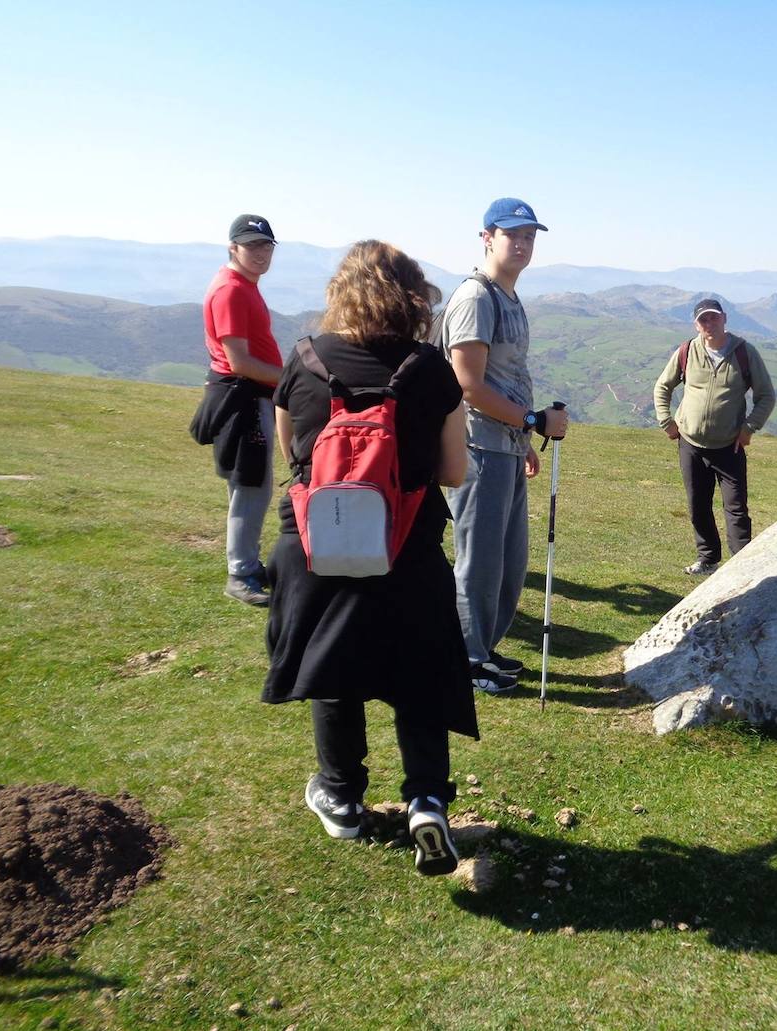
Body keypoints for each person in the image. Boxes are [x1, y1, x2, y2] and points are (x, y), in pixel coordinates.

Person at [263, 240, 475, 876]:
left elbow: (293, 459)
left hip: (316, 546)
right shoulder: (430, 369)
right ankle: (428, 800)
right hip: (406, 547)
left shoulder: (303, 360)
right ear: (412, 296)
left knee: (334, 668)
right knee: (420, 675)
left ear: (341, 292)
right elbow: (454, 471)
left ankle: (340, 797)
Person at [437, 198, 569, 694]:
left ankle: (482, 649)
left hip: (506, 445)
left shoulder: (508, 297)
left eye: (531, 235)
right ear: (487, 237)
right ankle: (465, 661)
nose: (523, 243)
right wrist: (534, 420)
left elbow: (507, 376)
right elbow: (467, 385)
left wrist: (524, 437)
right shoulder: (476, 298)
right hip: (478, 449)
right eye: (513, 234)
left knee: (508, 561)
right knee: (480, 560)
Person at [652, 298, 776, 575]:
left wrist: (748, 428)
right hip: (691, 444)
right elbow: (663, 387)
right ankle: (708, 559)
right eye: (703, 320)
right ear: (696, 324)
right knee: (698, 505)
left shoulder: (745, 352)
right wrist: (666, 421)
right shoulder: (687, 351)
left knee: (736, 509)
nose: (709, 324)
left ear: (725, 318)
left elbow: (766, 395)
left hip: (728, 446)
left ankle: (743, 568)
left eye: (714, 318)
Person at [199, 214, 284, 606]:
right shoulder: (231, 291)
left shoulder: (244, 285)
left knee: (254, 484)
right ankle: (240, 572)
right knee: (249, 486)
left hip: (250, 396)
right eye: (252, 245)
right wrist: (290, 380)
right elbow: (239, 362)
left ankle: (247, 563)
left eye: (266, 245)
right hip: (244, 397)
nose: (260, 253)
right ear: (233, 247)